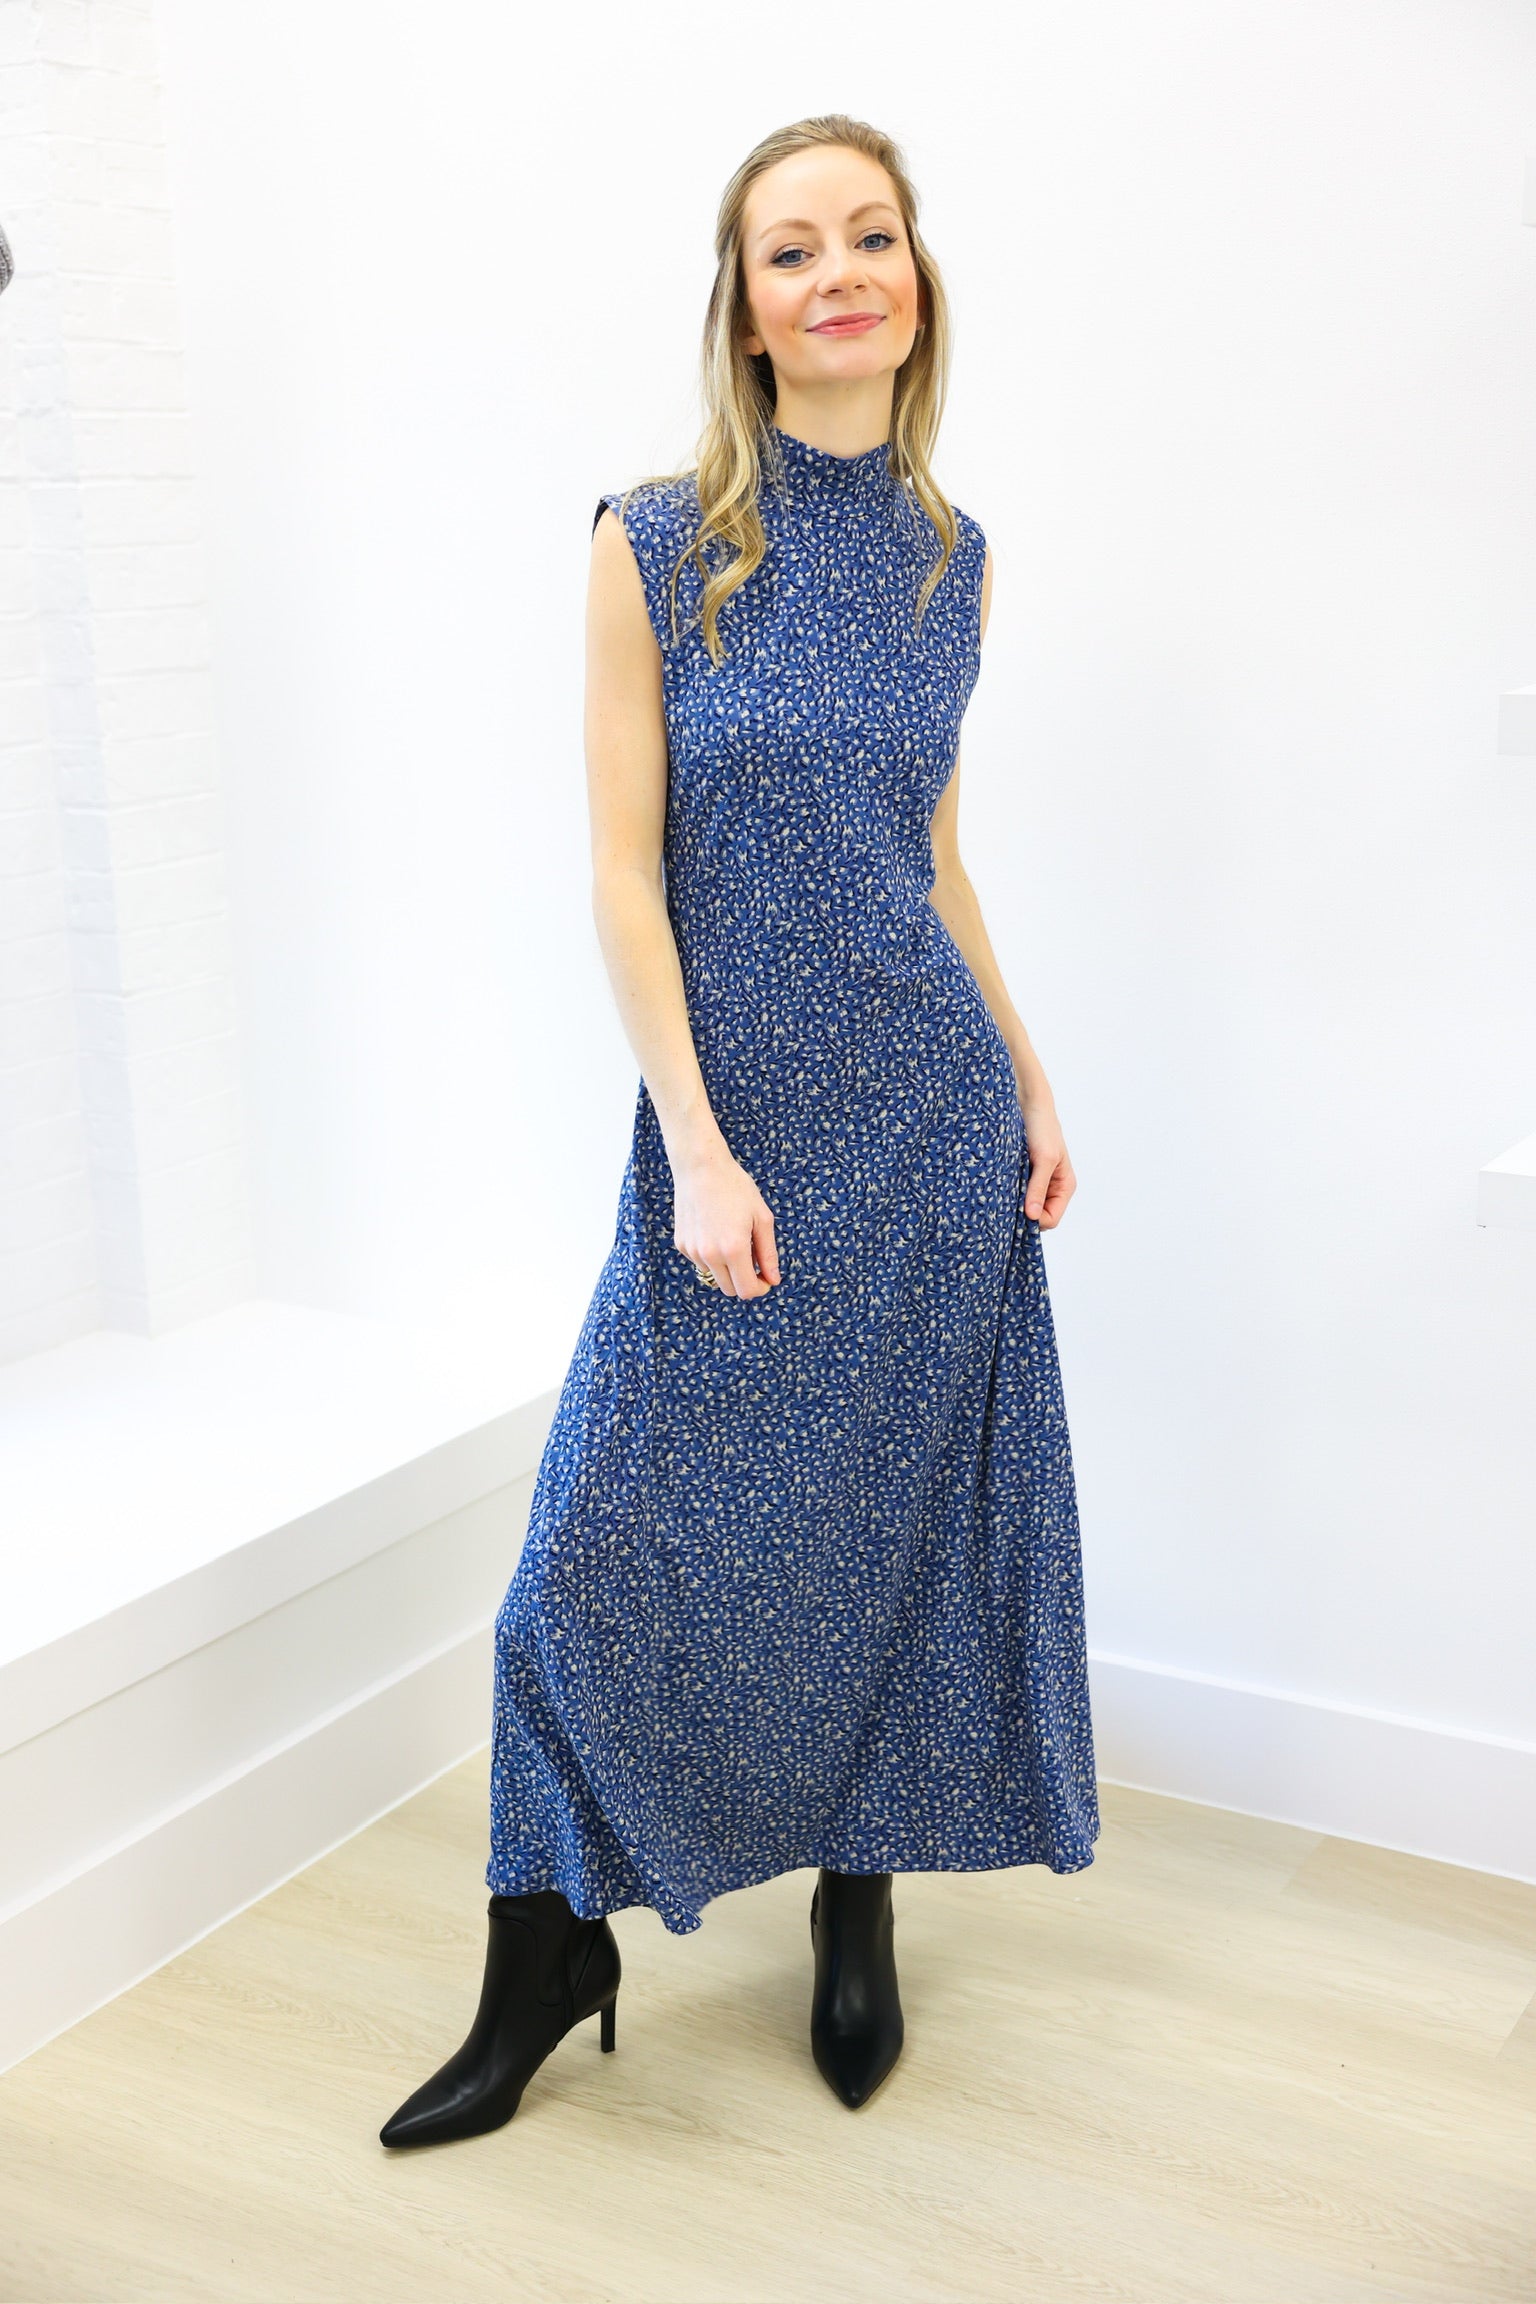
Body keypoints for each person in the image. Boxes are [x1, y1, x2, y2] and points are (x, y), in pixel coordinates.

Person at [380, 111, 1099, 2148]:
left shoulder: (959, 565)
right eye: (794, 250)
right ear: (746, 303)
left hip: (926, 1125)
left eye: (872, 236)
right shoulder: (651, 539)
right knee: (587, 1557)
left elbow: (932, 857)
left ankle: (851, 1909)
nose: (840, 272)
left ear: (916, 279)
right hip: (738, 1131)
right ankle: (547, 1955)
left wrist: (1029, 1072)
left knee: (878, 1531)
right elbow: (625, 875)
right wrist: (693, 1141)